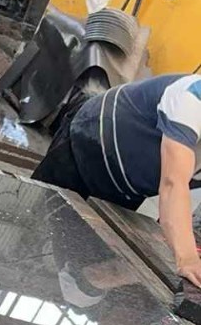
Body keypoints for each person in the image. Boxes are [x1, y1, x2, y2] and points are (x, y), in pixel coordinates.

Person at [32, 74, 201, 288]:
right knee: (46, 224)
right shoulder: (194, 97)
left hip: (126, 187)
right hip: (89, 144)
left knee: (88, 254)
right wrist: (188, 259)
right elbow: (173, 184)